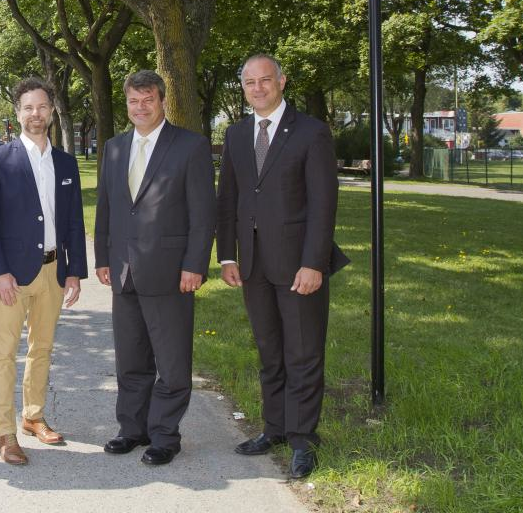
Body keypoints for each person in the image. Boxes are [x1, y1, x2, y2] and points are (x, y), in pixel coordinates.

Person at [215, 54, 348, 480]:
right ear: (243, 88)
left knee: (303, 353)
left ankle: (303, 441)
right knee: (270, 353)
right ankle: (274, 429)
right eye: (249, 82)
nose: (257, 88)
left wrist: (314, 263)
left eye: (265, 80)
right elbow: (228, 200)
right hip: (252, 265)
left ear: (282, 81)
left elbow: (323, 204)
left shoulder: (311, 132)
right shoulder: (236, 134)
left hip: (298, 267)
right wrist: (228, 255)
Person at [94, 70, 216, 466]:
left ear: (163, 101)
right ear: (126, 103)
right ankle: (132, 428)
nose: (140, 107)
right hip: (123, 270)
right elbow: (108, 208)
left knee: (172, 360)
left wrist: (195, 264)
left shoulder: (191, 146)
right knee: (130, 358)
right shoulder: (114, 147)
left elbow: (203, 214)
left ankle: (165, 435)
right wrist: (102, 258)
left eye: (148, 99)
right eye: (134, 100)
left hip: (170, 271)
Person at [0, 78, 87, 465]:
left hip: (54, 272)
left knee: (42, 348)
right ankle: (5, 432)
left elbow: (73, 221)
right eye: (27, 107)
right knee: (4, 352)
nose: (35, 114)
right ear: (17, 112)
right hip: (12, 276)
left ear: (52, 111)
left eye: (42, 107)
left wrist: (74, 272)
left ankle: (33, 416)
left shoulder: (66, 163)